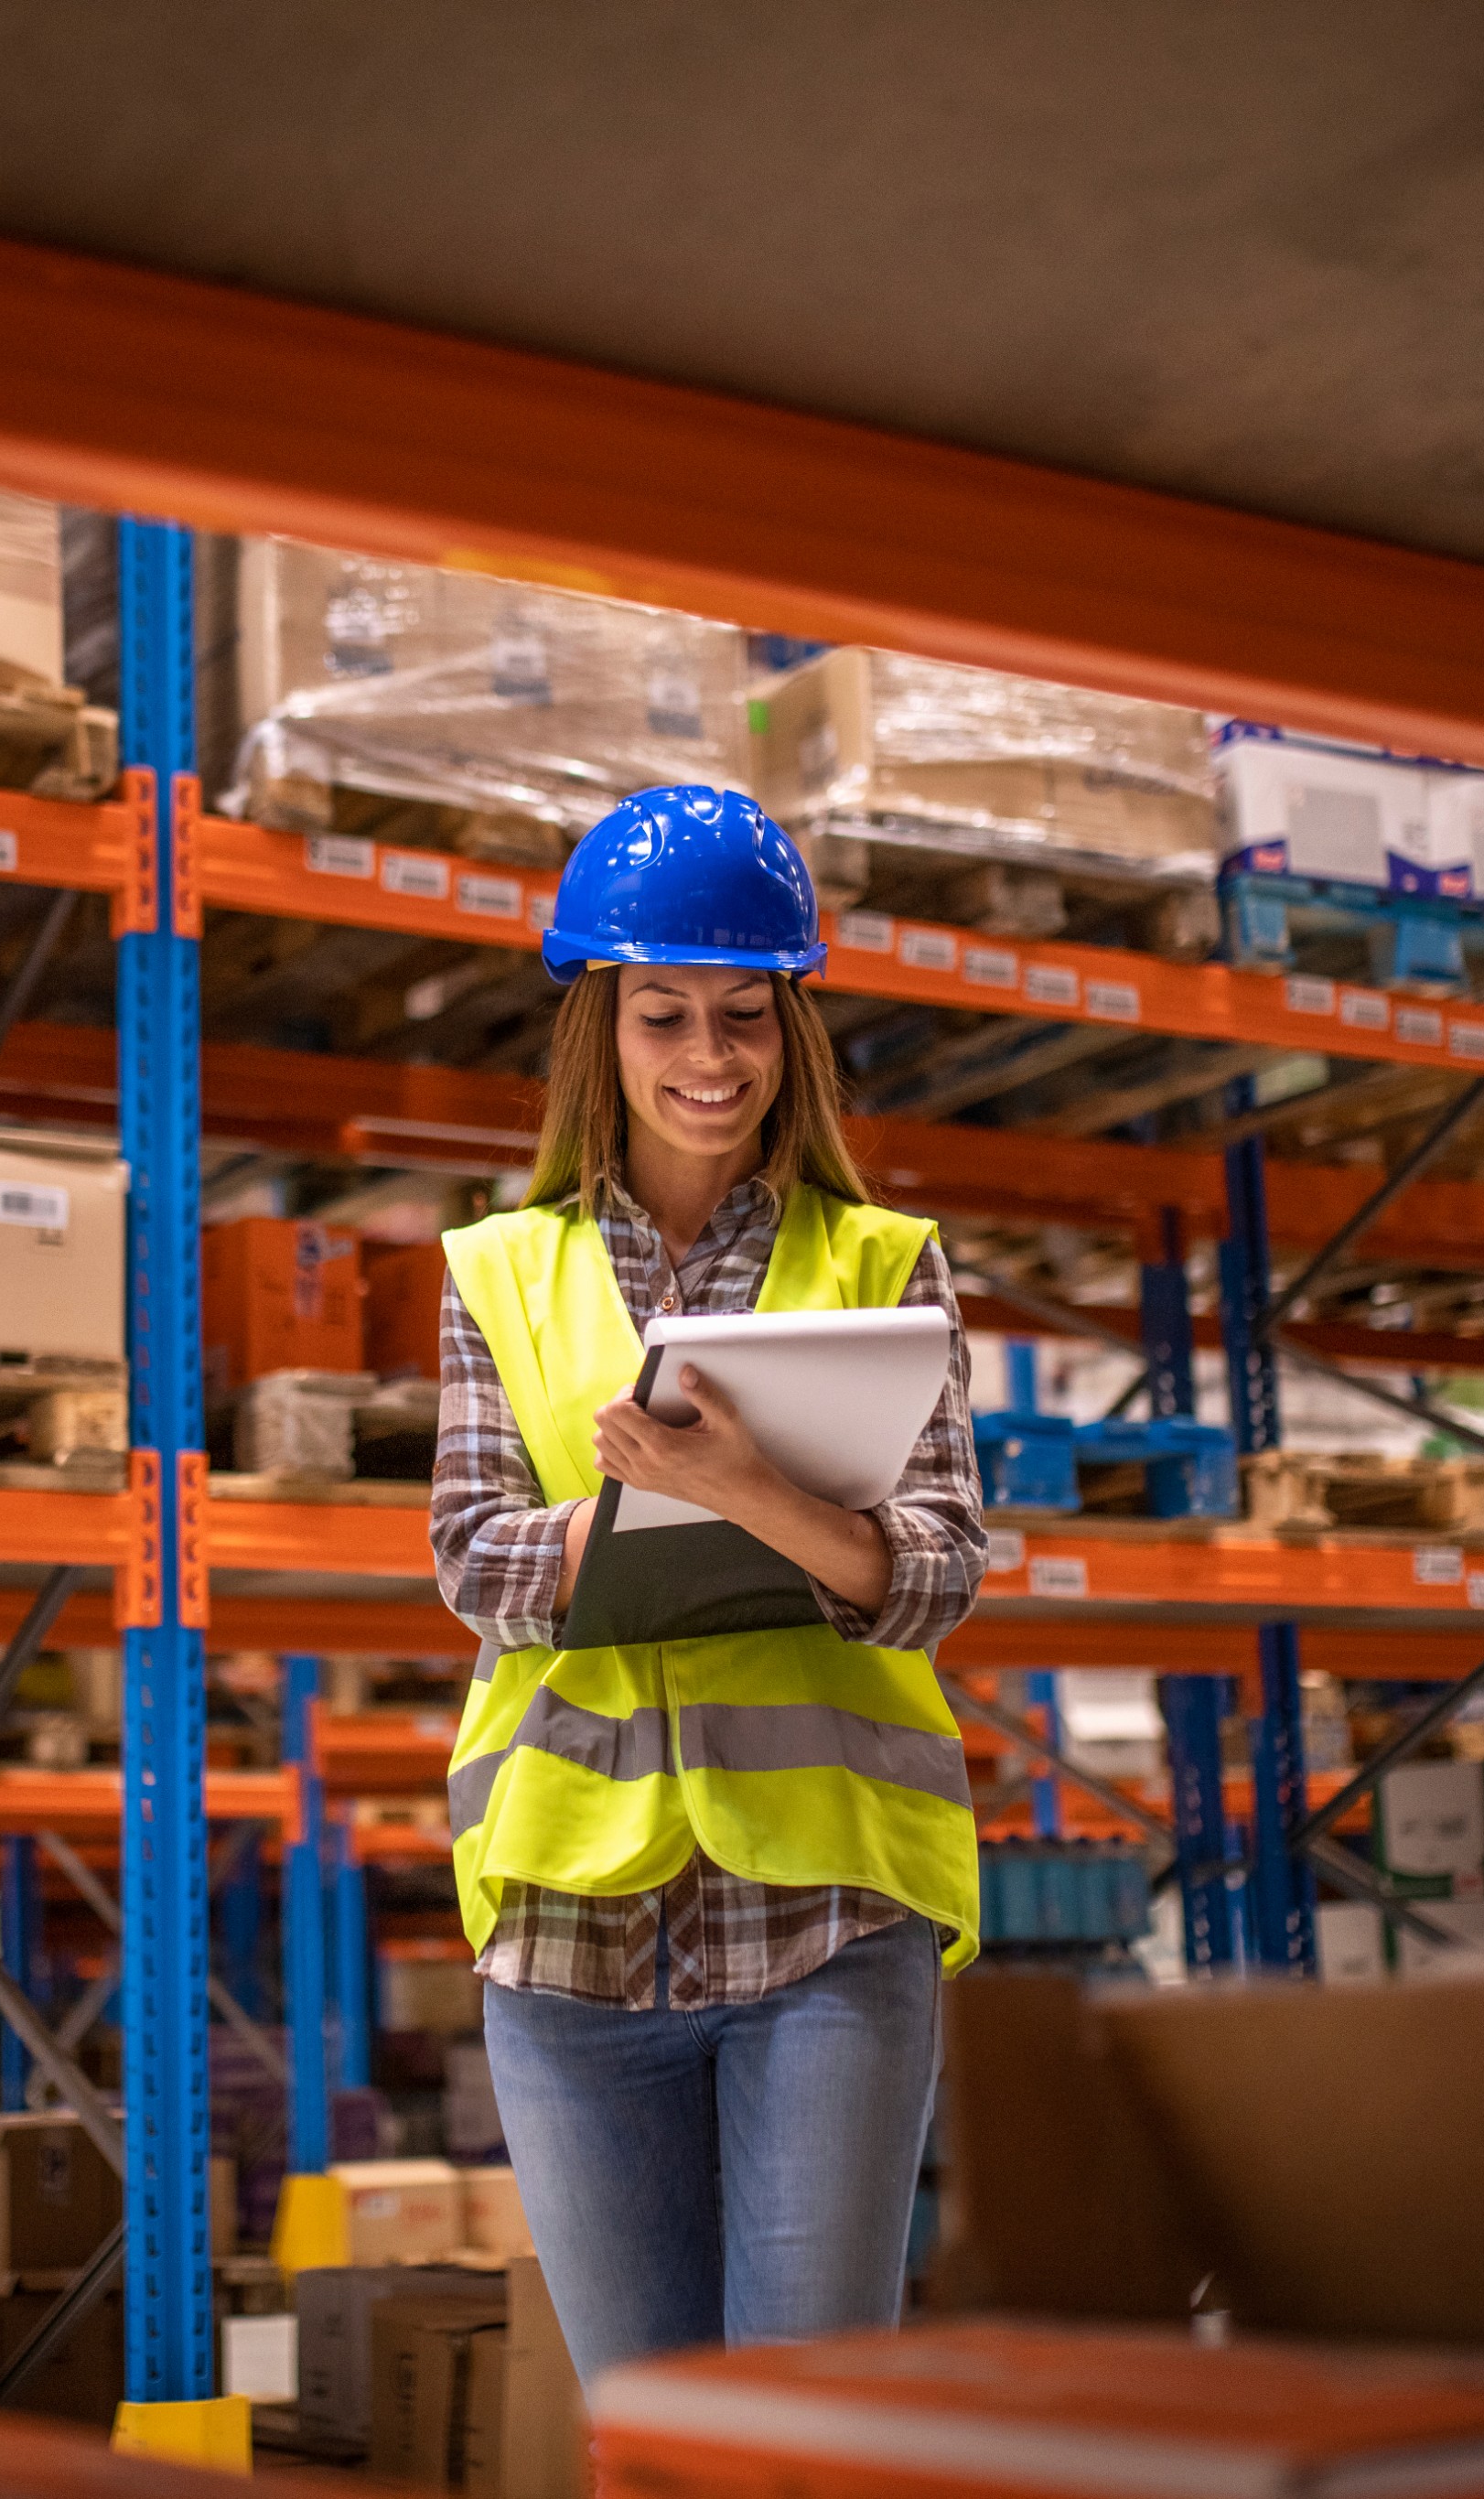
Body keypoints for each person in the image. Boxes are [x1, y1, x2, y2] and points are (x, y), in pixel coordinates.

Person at [430, 783, 986, 2389]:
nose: (709, 1060)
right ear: (601, 1028)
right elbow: (475, 1554)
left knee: (808, 2441)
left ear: (790, 1027)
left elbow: (939, 1568)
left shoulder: (883, 1262)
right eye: (665, 1015)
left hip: (823, 1921)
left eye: (746, 1016)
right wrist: (702, 1526)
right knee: (656, 2443)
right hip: (568, 1936)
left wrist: (738, 1494)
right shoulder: (500, 1270)